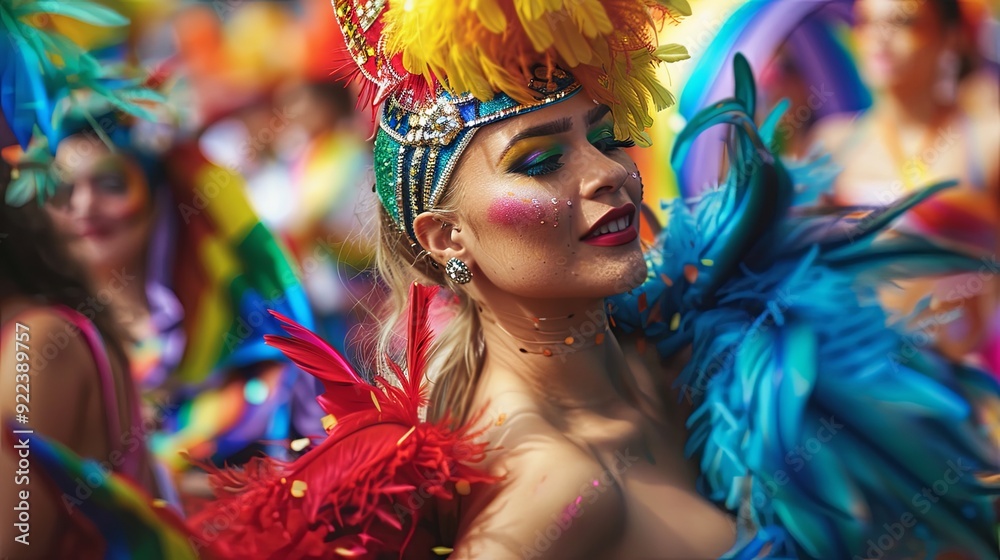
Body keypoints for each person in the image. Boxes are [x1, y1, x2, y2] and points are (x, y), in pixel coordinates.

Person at [13, 1, 999, 558]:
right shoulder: (550, 494)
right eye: (538, 160)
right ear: (447, 234)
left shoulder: (705, 345)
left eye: (605, 137)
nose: (607, 172)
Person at [811, 0, 1000, 363]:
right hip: (863, 386)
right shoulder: (832, 144)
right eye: (867, 23)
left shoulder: (988, 142)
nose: (879, 39)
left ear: (950, 38)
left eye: (903, 23)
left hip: (967, 393)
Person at [0, 158, 160, 559]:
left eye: (108, 183)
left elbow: (16, 541)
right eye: (66, 190)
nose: (85, 205)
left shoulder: (34, 342)